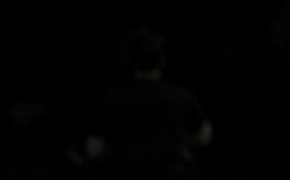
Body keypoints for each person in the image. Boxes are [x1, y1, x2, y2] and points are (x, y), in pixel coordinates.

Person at [85, 28, 213, 180]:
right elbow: (204, 136)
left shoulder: (111, 99)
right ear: (162, 59)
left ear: (129, 60)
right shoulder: (182, 97)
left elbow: (94, 149)